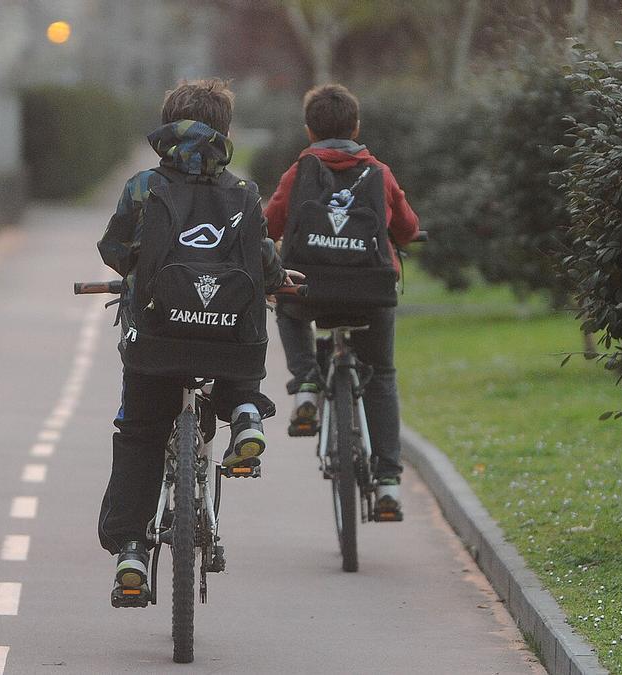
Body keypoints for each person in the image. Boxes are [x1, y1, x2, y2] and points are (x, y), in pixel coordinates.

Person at [96, 79, 291, 605]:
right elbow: (263, 262)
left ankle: (132, 552)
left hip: (156, 339)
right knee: (234, 359)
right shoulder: (244, 192)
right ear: (225, 131)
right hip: (230, 341)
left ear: (167, 127)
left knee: (139, 433)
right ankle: (245, 415)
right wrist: (278, 280)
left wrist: (137, 271)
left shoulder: (144, 186)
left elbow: (115, 249)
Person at [263, 83, 419, 518]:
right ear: (356, 127)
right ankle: (388, 485)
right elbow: (407, 228)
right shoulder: (379, 173)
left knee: (287, 306)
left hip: (310, 288)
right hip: (371, 291)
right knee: (381, 375)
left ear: (309, 131)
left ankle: (307, 384)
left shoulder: (298, 173)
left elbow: (269, 225)